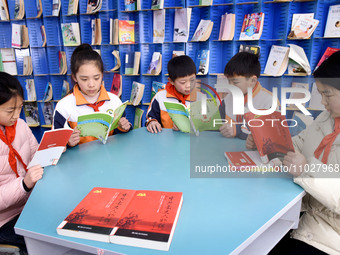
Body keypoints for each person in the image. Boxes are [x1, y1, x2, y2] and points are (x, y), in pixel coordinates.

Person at [248, 51, 340, 255]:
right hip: (303, 212)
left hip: (329, 235)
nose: (322, 102)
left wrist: (306, 169)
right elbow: (296, 145)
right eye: (320, 93)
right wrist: (266, 141)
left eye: (327, 94)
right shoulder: (326, 118)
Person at [53, 44, 132, 146]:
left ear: (102, 75)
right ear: (75, 77)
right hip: (80, 161)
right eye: (84, 79)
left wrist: (123, 128)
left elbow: (122, 139)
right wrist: (67, 142)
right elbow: (54, 145)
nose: (91, 84)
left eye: (96, 78)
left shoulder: (114, 101)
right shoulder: (64, 107)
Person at [0, 72, 44, 252]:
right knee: (43, 241)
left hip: (29, 204)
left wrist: (53, 151)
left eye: (20, 108)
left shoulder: (21, 126)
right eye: (10, 110)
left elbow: (36, 155)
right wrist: (24, 185)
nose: (17, 115)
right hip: (5, 220)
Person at [219, 52, 278, 139]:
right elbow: (218, 125)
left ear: (252, 81)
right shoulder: (227, 100)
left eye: (235, 82)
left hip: (255, 151)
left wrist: (238, 130)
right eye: (229, 81)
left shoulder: (269, 101)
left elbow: (271, 134)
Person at [145, 55, 197, 133]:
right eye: (183, 82)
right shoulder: (160, 97)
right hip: (167, 141)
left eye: (192, 80)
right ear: (171, 81)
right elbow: (150, 117)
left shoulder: (200, 97)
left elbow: (207, 123)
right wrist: (152, 122)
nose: (189, 85)